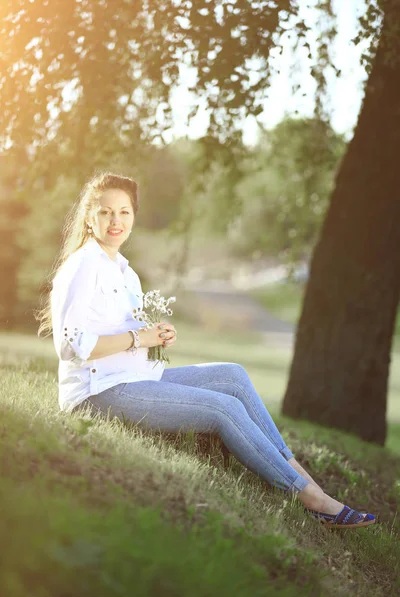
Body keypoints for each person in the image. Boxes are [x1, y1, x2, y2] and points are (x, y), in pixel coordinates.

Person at [37, 171, 375, 529]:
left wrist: (156, 335)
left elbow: (125, 332)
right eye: (106, 212)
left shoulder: (124, 272)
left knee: (233, 375)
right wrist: (140, 339)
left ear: (134, 216)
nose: (116, 221)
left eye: (124, 212)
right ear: (90, 216)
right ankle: (310, 499)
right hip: (98, 392)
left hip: (132, 378)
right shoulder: (83, 264)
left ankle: (305, 479)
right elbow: (70, 345)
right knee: (222, 407)